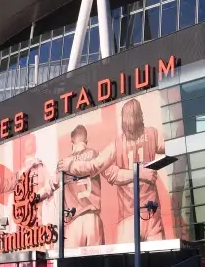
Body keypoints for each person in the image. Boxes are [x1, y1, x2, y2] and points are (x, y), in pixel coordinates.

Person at [58, 98, 167, 243]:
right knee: (160, 254)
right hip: (151, 212)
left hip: (128, 215)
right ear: (141, 115)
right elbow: (174, 146)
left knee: (125, 257)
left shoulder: (116, 144)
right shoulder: (153, 134)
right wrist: (147, 169)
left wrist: (71, 165)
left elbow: (94, 166)